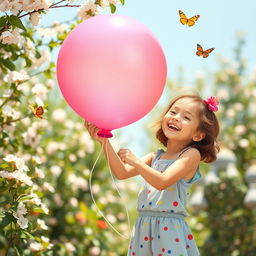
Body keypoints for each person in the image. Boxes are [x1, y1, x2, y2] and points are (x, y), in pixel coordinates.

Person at [84, 92, 220, 256]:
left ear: (198, 135)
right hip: (144, 227)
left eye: (186, 117)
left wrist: (137, 162)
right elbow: (122, 172)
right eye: (173, 111)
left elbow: (163, 182)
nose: (176, 117)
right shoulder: (156, 156)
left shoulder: (191, 155)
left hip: (169, 229)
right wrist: (104, 141)